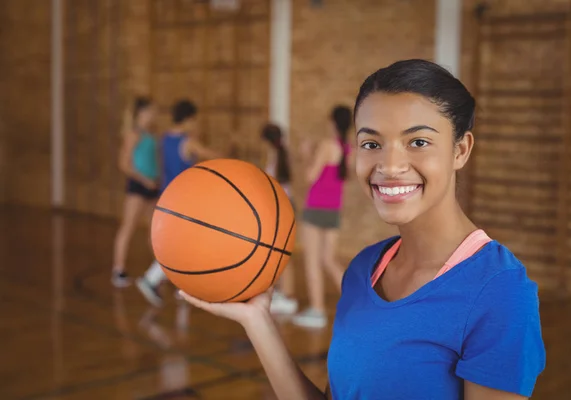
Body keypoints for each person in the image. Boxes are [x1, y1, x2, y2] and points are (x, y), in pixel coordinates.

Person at [178, 59, 547, 400]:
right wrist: (257, 320)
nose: (389, 165)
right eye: (371, 143)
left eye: (418, 142)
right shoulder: (363, 269)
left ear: (460, 150)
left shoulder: (500, 291)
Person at [136, 99, 221, 307]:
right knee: (180, 247)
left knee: (184, 245)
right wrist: (232, 151)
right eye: (195, 120)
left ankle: (180, 285)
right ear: (189, 119)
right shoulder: (188, 141)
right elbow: (213, 156)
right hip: (181, 201)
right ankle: (150, 279)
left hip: (167, 197)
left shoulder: (164, 139)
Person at [292, 105, 352, 328]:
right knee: (328, 259)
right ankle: (358, 302)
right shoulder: (348, 148)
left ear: (332, 122)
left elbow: (310, 176)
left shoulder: (327, 145)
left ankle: (317, 311)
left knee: (312, 261)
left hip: (316, 208)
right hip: (334, 210)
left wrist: (306, 154)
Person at [111, 96, 159, 288]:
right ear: (141, 113)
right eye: (151, 111)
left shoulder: (151, 134)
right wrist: (144, 179)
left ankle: (160, 270)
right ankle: (118, 270)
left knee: (155, 231)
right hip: (138, 187)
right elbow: (124, 163)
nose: (154, 115)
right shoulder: (133, 134)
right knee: (128, 227)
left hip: (152, 187)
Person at [261, 123, 299, 315]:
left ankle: (288, 297)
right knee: (277, 253)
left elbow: (272, 183)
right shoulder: (284, 153)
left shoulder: (276, 156)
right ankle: (281, 293)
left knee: (283, 253)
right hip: (282, 205)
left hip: (281, 206)